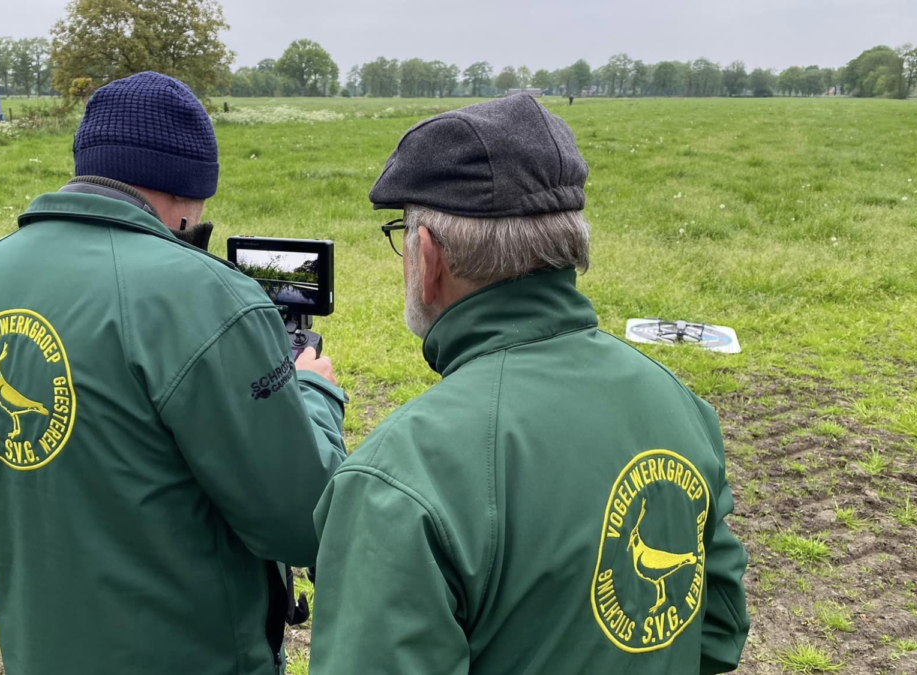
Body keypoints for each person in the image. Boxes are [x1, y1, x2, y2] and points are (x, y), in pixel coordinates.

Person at [0, 72, 347, 675]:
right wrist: (314, 392)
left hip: (40, 651)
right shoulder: (210, 298)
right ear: (189, 189)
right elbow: (303, 519)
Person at [310, 95, 749, 674]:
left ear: (427, 255)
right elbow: (716, 635)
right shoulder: (679, 404)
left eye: (402, 234)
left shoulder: (401, 475)